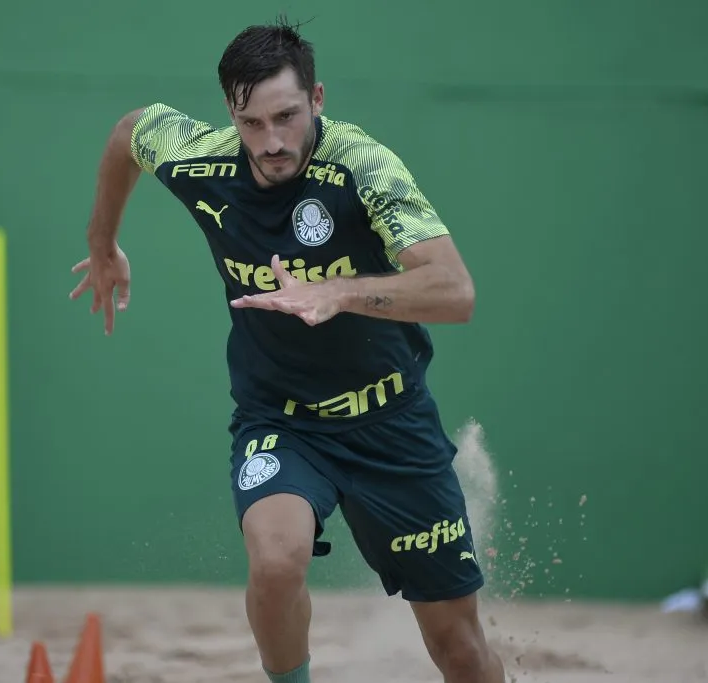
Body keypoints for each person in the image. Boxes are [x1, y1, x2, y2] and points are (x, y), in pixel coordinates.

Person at [69, 17, 506, 683]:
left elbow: (456, 291)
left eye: (287, 117)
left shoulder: (363, 167)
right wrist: (103, 244)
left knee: (459, 648)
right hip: (281, 418)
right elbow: (129, 130)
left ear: (318, 99)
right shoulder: (202, 159)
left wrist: (340, 293)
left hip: (391, 422)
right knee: (275, 564)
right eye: (252, 123)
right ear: (230, 114)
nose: (272, 141)